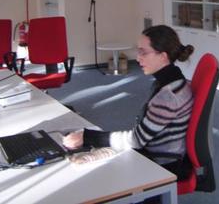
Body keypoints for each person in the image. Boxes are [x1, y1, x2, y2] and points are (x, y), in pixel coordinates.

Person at [63, 25, 195, 179]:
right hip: (154, 150)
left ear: (163, 56)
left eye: (143, 52)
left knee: (89, 175)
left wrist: (87, 137)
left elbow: (137, 140)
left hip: (160, 162)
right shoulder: (173, 81)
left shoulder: (168, 96)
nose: (138, 58)